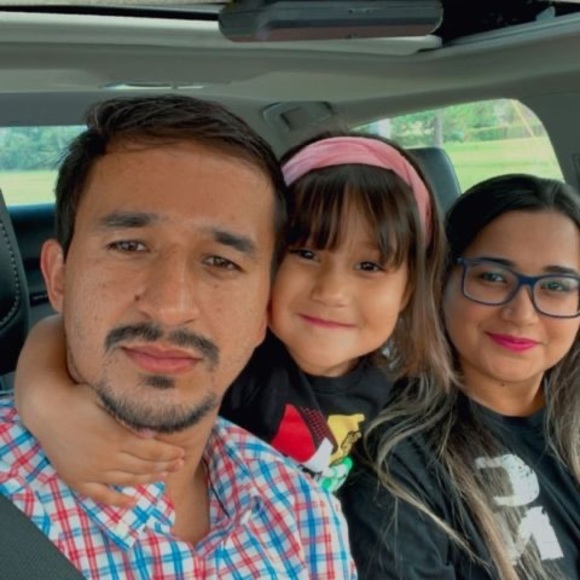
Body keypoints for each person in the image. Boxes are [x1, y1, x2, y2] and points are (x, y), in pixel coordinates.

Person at [0, 94, 356, 579]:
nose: (170, 306)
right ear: (58, 278)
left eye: (221, 262)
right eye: (129, 246)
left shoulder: (304, 515)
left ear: (262, 312)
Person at [14, 131, 452, 503]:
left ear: (407, 290)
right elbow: (61, 329)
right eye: (305, 253)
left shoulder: (400, 389)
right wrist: (49, 406)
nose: (333, 291)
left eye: (369, 266)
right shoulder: (237, 359)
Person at [339, 174, 580, 579]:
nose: (522, 313)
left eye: (556, 285)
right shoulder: (393, 459)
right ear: (441, 280)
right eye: (492, 277)